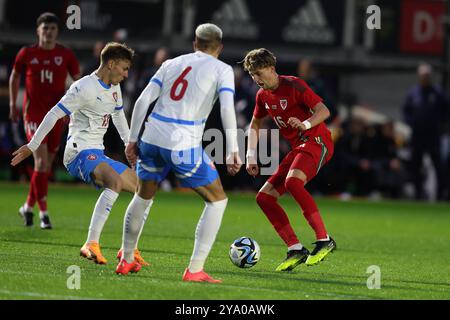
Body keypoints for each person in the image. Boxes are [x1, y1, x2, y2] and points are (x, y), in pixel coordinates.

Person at [115, 23, 242, 282]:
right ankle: (195, 269)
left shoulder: (172, 63)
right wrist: (233, 149)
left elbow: (141, 101)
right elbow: (227, 110)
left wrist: (132, 140)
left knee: (142, 196)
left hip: (151, 137)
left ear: (194, 43)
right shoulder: (223, 69)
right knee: (217, 200)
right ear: (220, 47)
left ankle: (126, 260)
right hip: (183, 143)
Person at [11, 42, 148, 266]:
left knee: (145, 188)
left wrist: (128, 145)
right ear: (111, 64)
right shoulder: (83, 87)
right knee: (113, 182)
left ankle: (128, 250)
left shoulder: (114, 86)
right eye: (124, 68)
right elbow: (53, 113)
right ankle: (91, 244)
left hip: (98, 152)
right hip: (78, 152)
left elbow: (118, 116)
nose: (126, 74)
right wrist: (33, 145)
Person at [242, 48, 336, 272]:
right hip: (298, 148)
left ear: (272, 69)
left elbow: (324, 111)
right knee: (264, 198)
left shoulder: (294, 85)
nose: (256, 79)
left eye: (259, 73)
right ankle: (295, 248)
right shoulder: (262, 96)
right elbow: (255, 124)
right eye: (252, 75)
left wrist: (305, 124)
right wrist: (250, 155)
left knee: (293, 183)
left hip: (318, 140)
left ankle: (324, 240)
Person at [9, 12, 81, 229]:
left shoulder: (65, 54)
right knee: (40, 163)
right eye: (45, 28)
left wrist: (73, 107)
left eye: (52, 29)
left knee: (46, 166)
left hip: (57, 115)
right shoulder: (27, 53)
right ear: (38, 31)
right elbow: (14, 76)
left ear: (57, 32)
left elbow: (77, 83)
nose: (48, 32)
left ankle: (27, 207)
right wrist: (14, 104)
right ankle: (44, 214)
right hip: (33, 116)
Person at [402, 63, 447, 200]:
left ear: (430, 76)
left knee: (438, 166)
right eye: (422, 76)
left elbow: (446, 109)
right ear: (419, 76)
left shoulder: (437, 92)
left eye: (427, 75)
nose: (425, 78)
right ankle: (418, 194)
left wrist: (440, 124)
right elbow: (406, 111)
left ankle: (440, 196)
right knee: (416, 166)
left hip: (433, 135)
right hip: (417, 135)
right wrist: (411, 123)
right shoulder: (413, 93)